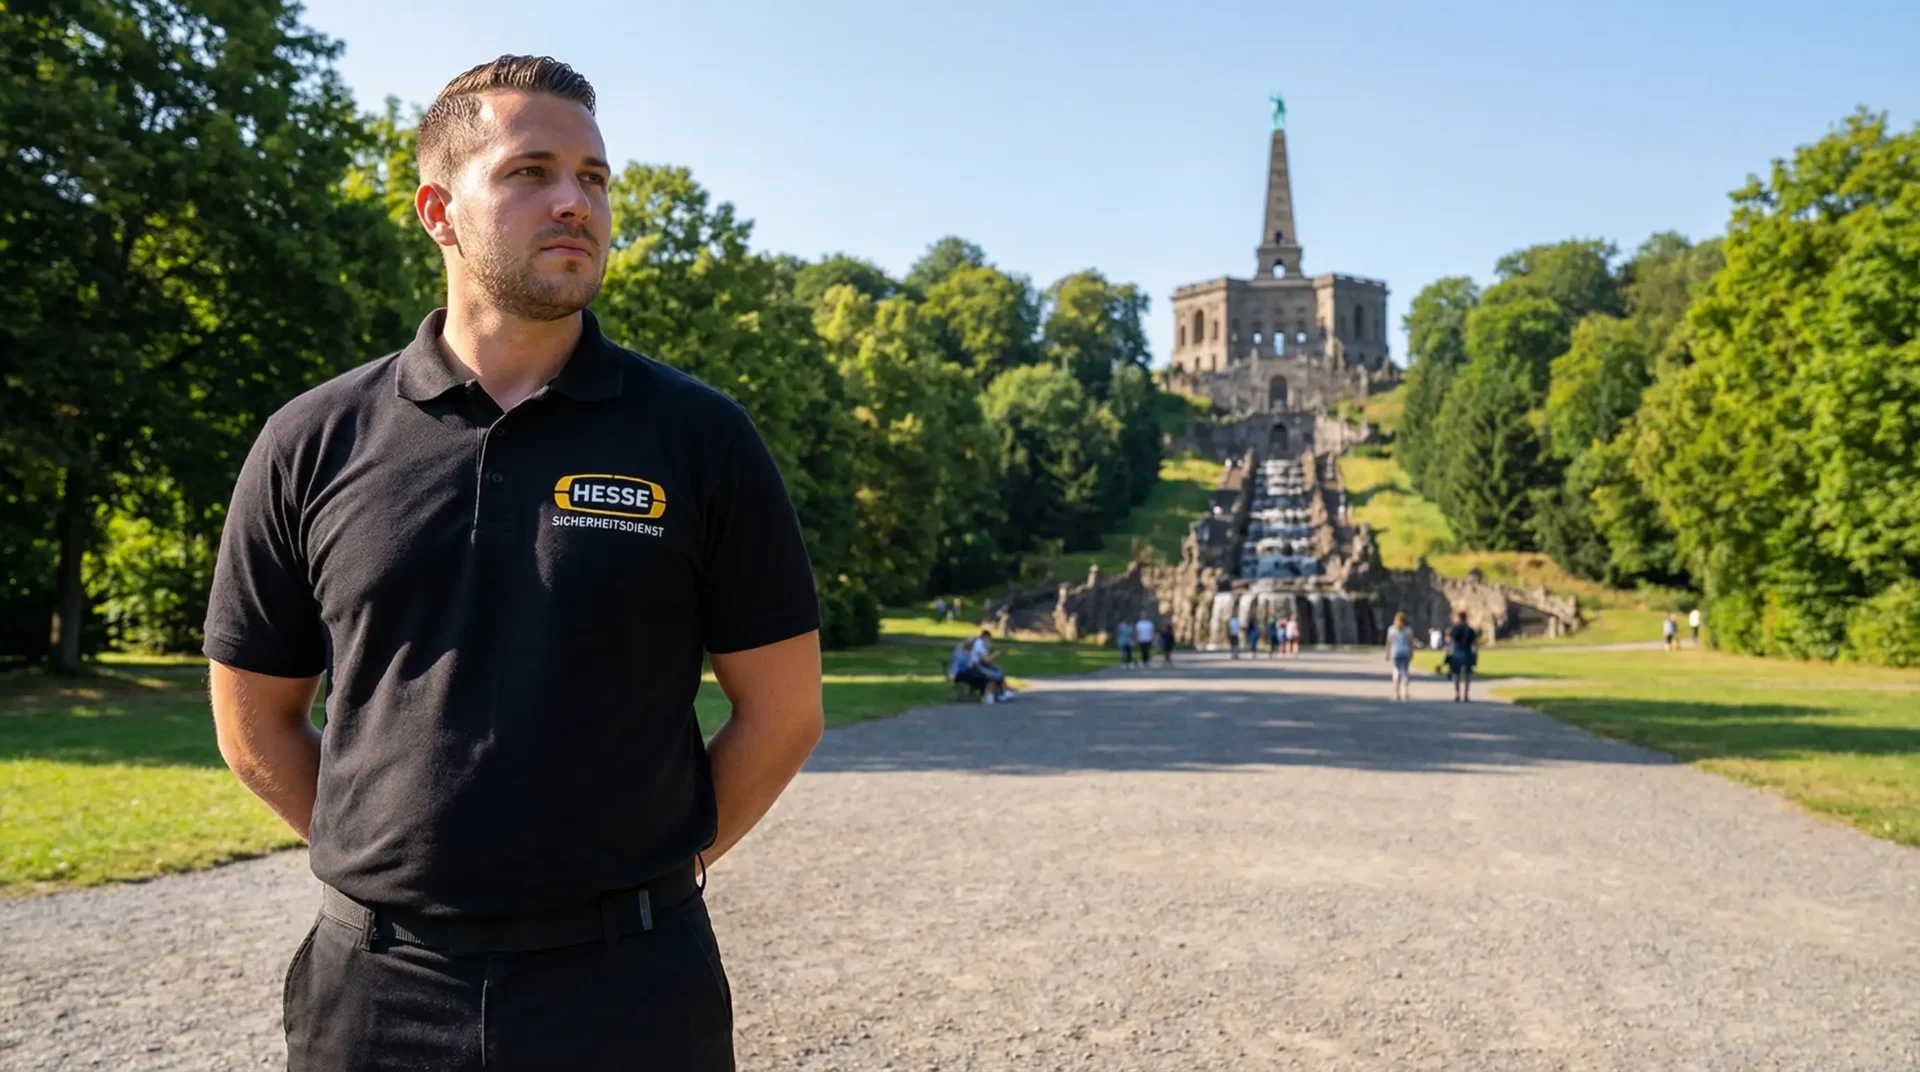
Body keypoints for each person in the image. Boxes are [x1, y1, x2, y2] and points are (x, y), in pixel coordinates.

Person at [202, 56, 819, 1070]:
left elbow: (785, 711)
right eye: (531, 171)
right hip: (377, 992)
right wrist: (395, 863)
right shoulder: (312, 440)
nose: (576, 202)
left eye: (595, 176)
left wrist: (644, 879)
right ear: (438, 210)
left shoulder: (702, 439)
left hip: (630, 987)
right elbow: (252, 717)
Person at [970, 629, 1014, 701]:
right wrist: (996, 654)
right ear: (985, 637)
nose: (989, 641)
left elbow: (987, 661)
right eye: (988, 639)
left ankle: (1004, 692)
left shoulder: (983, 644)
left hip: (981, 665)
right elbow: (986, 660)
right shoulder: (979, 644)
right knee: (994, 675)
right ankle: (997, 694)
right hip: (976, 667)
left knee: (999, 670)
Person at [1447, 611, 1478, 702]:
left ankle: (1457, 694)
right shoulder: (1470, 630)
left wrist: (1448, 653)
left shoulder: (1455, 629)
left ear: (1459, 618)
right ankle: (1466, 694)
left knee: (1456, 674)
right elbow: (1474, 644)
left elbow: (1451, 643)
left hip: (1457, 652)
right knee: (1467, 674)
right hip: (1467, 652)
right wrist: (1475, 655)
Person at [1386, 611, 1415, 701]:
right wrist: (1411, 652)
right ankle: (1405, 692)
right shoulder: (1408, 630)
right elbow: (1411, 643)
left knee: (1396, 672)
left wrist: (1387, 653)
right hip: (1405, 652)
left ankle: (1397, 693)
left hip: (1395, 652)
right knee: (1405, 672)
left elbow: (1388, 643)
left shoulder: (1391, 629)